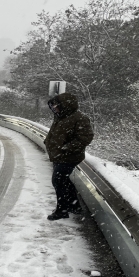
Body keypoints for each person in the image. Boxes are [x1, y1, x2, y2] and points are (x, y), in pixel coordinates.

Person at [44, 92, 93, 220]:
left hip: (69, 156)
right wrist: (48, 141)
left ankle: (62, 210)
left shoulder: (80, 118)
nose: (54, 108)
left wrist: (66, 147)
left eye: (56, 106)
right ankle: (74, 206)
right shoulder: (60, 116)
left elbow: (85, 138)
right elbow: (55, 132)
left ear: (65, 105)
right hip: (59, 155)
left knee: (58, 180)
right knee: (63, 181)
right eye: (53, 106)